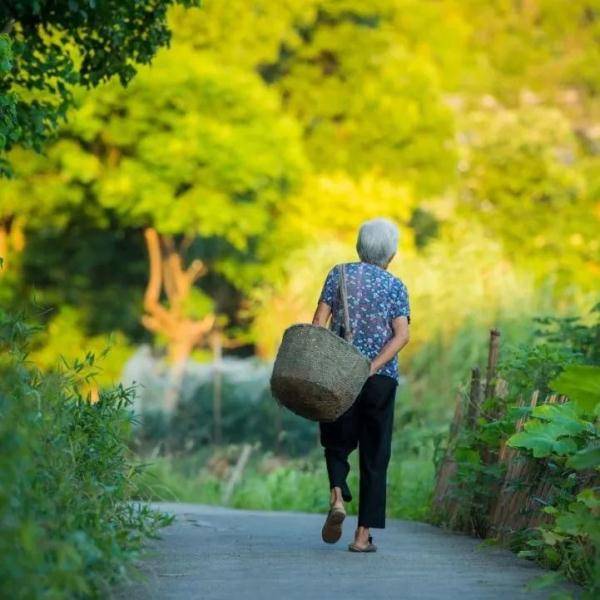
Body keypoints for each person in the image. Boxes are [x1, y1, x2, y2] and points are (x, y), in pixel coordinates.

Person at [312, 217, 410, 553]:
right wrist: (373, 365)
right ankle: (361, 536)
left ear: (359, 245)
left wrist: (335, 363)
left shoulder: (338, 274)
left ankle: (338, 495)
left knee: (336, 441)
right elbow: (402, 335)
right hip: (379, 380)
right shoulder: (395, 286)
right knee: (375, 455)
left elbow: (317, 324)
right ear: (391, 253)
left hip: (341, 376)